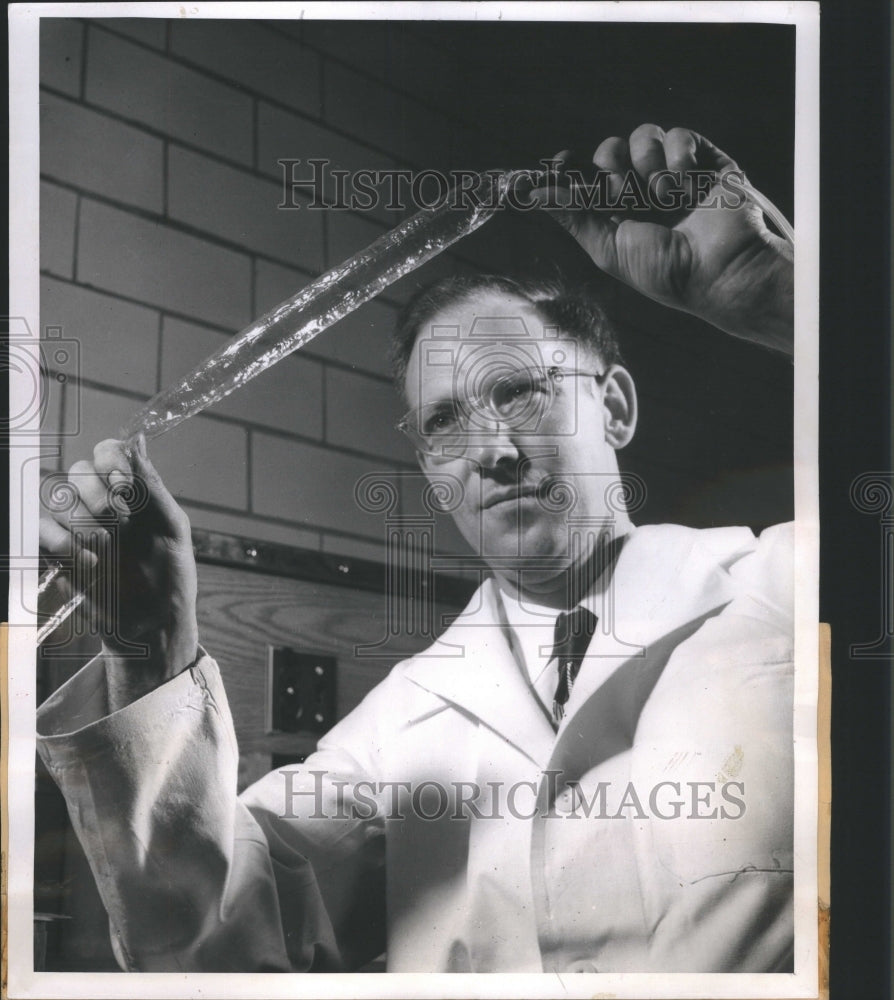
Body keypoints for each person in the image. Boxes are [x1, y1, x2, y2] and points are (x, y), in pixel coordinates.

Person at [36, 125, 795, 973]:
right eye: (443, 423)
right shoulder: (398, 727)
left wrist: (777, 296)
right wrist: (152, 651)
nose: (491, 451)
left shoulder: (791, 592)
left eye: (518, 392)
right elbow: (205, 946)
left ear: (614, 405)